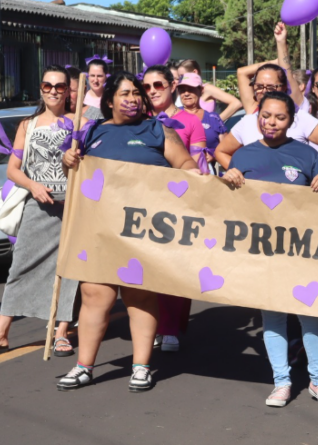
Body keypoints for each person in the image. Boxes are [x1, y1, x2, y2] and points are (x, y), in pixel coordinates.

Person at [58, 71, 201, 391]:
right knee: (94, 296)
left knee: (140, 297)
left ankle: (141, 366)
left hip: (144, 232)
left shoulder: (158, 131)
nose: (133, 99)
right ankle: (83, 366)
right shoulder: (92, 131)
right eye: (125, 94)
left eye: (137, 93)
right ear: (109, 101)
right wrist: (70, 160)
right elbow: (75, 174)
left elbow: (187, 168)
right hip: (100, 230)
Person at [221, 91, 318, 409]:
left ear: (291, 121)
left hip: (303, 249)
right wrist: (227, 179)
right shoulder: (243, 155)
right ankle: (281, 382)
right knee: (272, 317)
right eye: (266, 116)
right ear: (257, 115)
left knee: (311, 317)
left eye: (280, 117)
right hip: (262, 252)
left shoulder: (306, 154)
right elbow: (229, 210)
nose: (271, 122)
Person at [0, 65, 85, 359]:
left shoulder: (80, 123)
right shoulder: (27, 126)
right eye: (48, 86)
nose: (54, 91)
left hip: (72, 209)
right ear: (41, 89)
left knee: (68, 270)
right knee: (20, 266)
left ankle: (60, 332)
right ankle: (1, 333)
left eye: (60, 86)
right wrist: (33, 186)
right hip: (38, 206)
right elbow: (12, 170)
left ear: (68, 91)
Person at [143, 65, 206, 352]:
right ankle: (153, 324)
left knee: (174, 269)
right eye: (147, 87)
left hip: (179, 204)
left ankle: (170, 327)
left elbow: (196, 165)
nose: (153, 91)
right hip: (143, 204)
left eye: (159, 85)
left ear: (172, 86)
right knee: (147, 269)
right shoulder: (138, 122)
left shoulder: (190, 122)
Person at [219, 62, 318, 173]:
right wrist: (238, 174)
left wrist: (316, 175)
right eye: (259, 87)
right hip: (255, 197)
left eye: (270, 87)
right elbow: (221, 152)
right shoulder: (248, 121)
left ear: (284, 87)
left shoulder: (299, 118)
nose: (264, 91)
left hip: (294, 197)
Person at [176, 72, 227, 175]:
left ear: (201, 90)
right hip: (179, 174)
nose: (186, 94)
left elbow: (227, 149)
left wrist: (214, 155)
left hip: (207, 177)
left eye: (190, 89)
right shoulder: (173, 116)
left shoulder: (213, 118)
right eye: (182, 90)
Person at [177, 59, 243, 121]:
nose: (180, 79)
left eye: (182, 76)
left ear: (195, 72)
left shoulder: (207, 89)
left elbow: (236, 103)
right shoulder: (183, 92)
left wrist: (216, 122)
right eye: (179, 77)